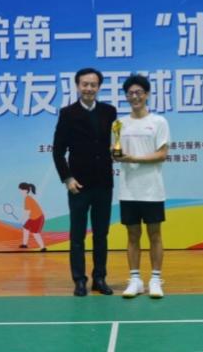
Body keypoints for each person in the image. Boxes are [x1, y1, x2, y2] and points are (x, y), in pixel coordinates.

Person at [52, 67, 118, 297]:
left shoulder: (109, 111)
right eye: (85, 84)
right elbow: (58, 151)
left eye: (93, 85)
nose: (89, 88)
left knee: (101, 234)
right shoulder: (67, 113)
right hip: (78, 185)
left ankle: (99, 278)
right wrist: (67, 178)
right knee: (77, 235)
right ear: (78, 86)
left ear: (99, 87)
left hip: (103, 183)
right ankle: (79, 280)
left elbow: (115, 142)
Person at [114, 74, 170, 300]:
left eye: (139, 92)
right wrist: (117, 156)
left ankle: (155, 279)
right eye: (130, 93)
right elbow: (115, 151)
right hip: (128, 190)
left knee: (154, 234)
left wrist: (133, 158)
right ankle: (135, 280)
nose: (135, 97)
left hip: (152, 190)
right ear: (126, 97)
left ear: (146, 95)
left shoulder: (158, 122)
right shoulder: (119, 124)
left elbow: (162, 154)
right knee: (132, 235)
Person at [19, 182, 46, 251]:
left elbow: (27, 212)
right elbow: (27, 212)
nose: (20, 191)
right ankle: (24, 244)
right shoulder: (27, 198)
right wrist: (23, 219)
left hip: (38, 218)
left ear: (25, 190)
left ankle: (43, 247)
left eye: (21, 190)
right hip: (32, 217)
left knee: (35, 233)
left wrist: (22, 220)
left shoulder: (27, 199)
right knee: (25, 228)